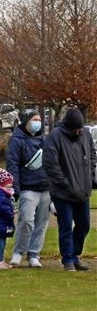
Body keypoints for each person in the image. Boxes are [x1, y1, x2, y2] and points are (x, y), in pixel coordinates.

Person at [42, 107, 96, 272]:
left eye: (80, 128)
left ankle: (74, 254)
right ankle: (68, 260)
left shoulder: (85, 134)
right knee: (65, 225)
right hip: (63, 192)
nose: (79, 131)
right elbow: (50, 163)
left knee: (84, 225)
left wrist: (90, 175)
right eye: (76, 129)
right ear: (70, 127)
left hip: (83, 190)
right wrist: (63, 182)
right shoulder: (55, 137)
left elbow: (92, 155)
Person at [5, 109, 49, 268]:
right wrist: (15, 187)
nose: (38, 123)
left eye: (39, 120)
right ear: (26, 122)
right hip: (28, 187)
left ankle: (34, 254)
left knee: (41, 223)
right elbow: (12, 165)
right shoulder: (17, 140)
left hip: (45, 187)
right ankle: (18, 251)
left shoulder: (44, 140)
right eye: (34, 119)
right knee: (26, 220)